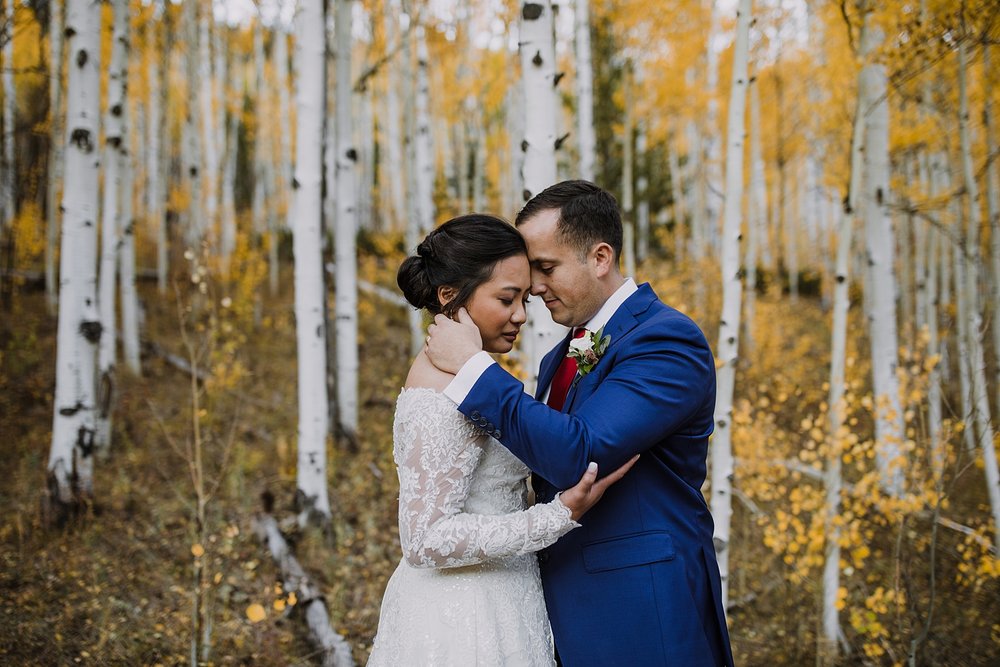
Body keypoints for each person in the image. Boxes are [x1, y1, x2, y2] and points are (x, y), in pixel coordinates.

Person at [425, 181, 735, 667]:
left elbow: (580, 454)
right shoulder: (558, 356)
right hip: (553, 614)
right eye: (530, 274)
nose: (537, 288)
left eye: (546, 268)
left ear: (600, 257)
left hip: (643, 611)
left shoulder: (666, 340)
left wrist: (473, 370)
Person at [368, 214, 637, 666]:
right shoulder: (442, 389)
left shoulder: (471, 375)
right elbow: (424, 540)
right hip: (466, 620)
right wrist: (556, 517)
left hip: (506, 600)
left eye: (524, 299)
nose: (521, 316)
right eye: (507, 299)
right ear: (450, 296)